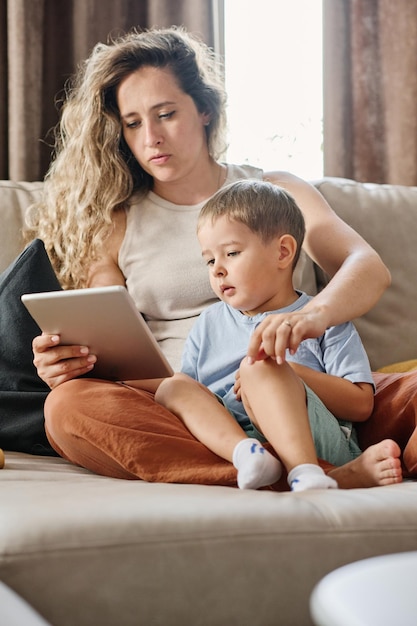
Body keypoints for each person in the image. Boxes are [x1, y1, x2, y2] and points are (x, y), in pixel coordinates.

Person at [29, 26, 402, 488]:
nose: (151, 137)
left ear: (205, 109)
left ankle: (290, 463)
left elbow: (367, 268)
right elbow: (119, 357)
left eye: (165, 114)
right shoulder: (116, 223)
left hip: (309, 384)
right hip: (196, 413)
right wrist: (69, 364)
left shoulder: (276, 191)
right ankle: (299, 471)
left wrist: (311, 318)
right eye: (133, 123)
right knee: (68, 408)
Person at [155, 180, 379, 492]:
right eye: (209, 260)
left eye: (231, 253)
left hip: (312, 437)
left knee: (258, 366)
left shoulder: (322, 319)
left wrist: (291, 372)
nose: (217, 270)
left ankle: (305, 471)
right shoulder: (208, 323)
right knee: (174, 386)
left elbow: (361, 405)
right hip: (232, 440)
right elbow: (193, 397)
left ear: (283, 252)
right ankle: (247, 455)